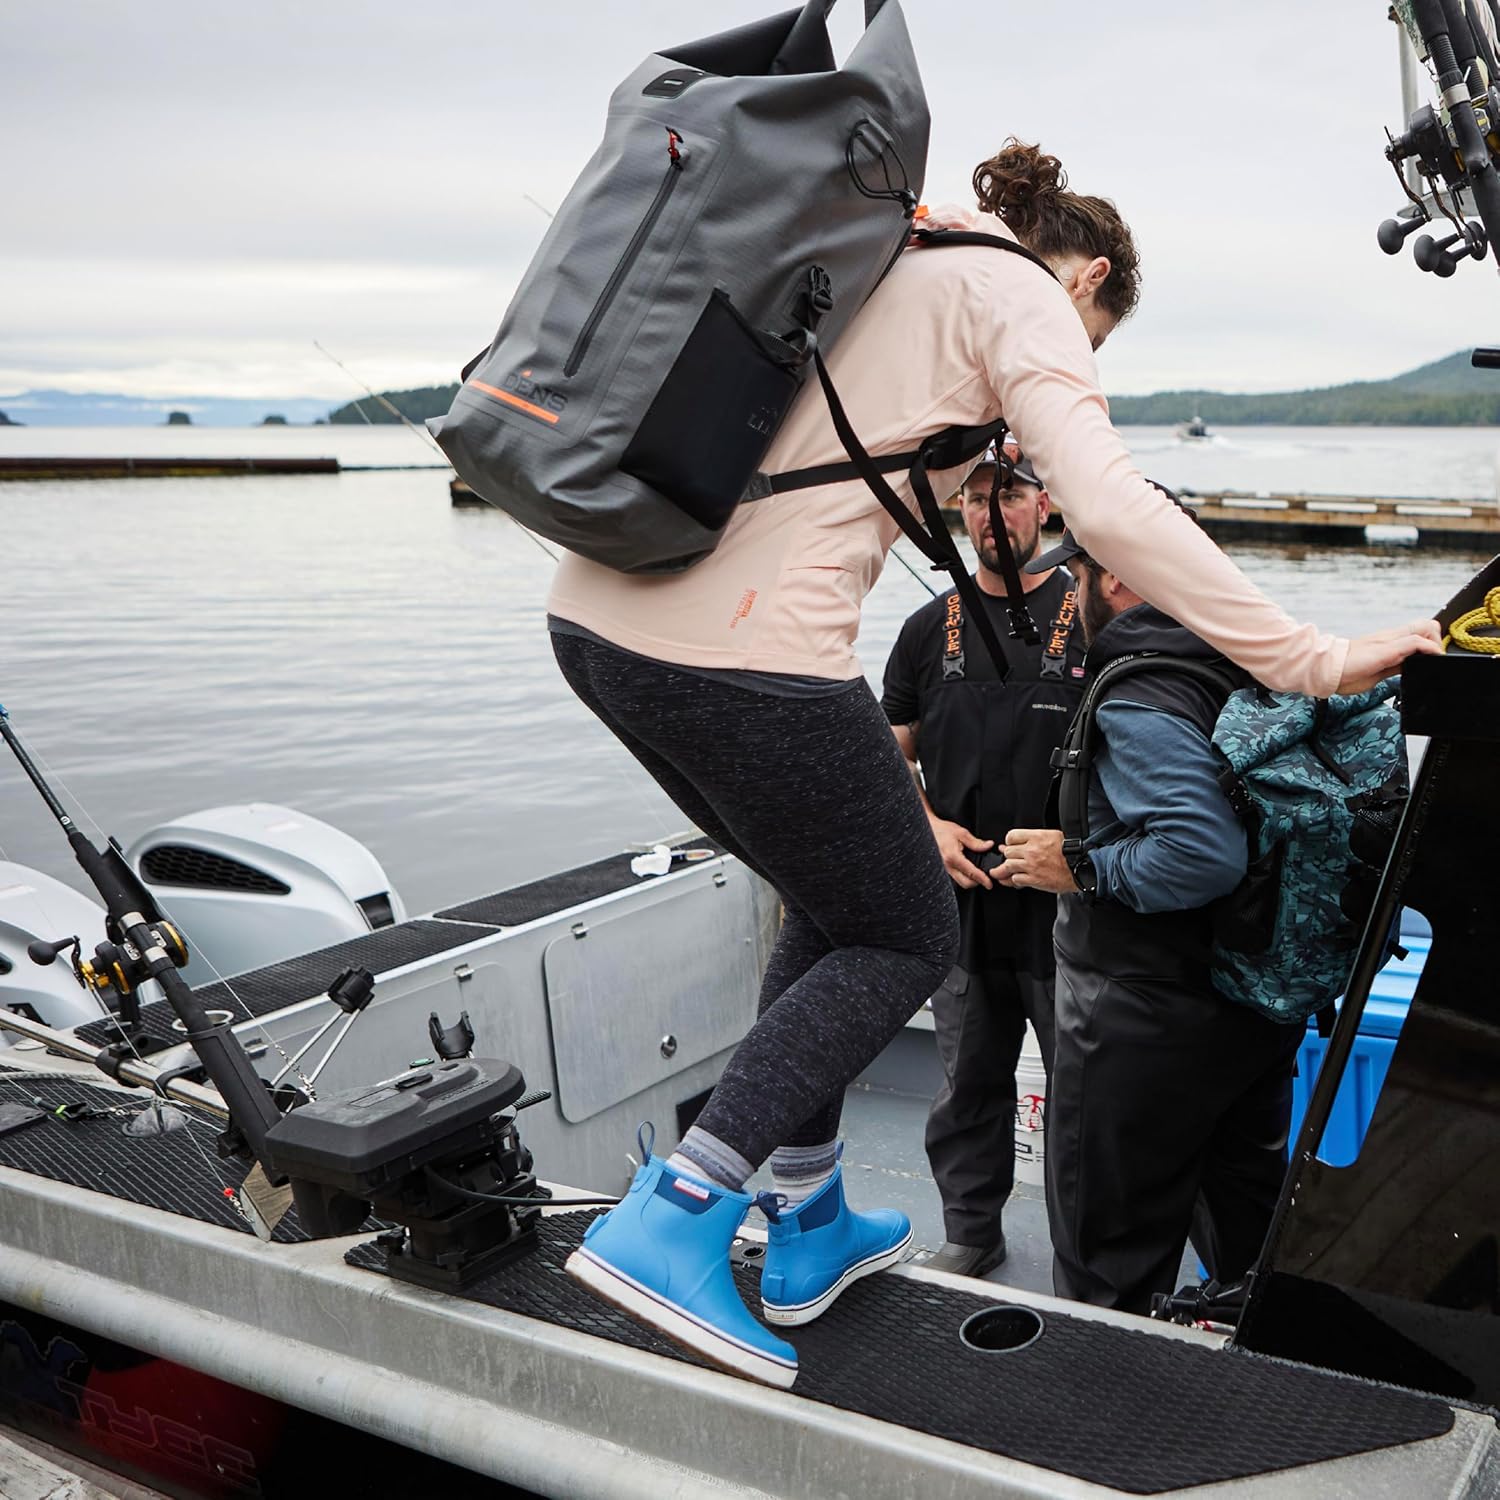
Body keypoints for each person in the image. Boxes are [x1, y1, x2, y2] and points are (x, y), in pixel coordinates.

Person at [546, 138, 1439, 1388]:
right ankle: (679, 1217)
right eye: (1097, 342)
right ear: (1092, 279)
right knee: (905, 935)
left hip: (598, 621)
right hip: (742, 649)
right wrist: (1310, 657)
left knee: (831, 907)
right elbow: (1111, 504)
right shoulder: (1022, 290)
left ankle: (807, 1217)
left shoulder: (895, 252)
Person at [996, 514, 1305, 1314]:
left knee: (1107, 1260)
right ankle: (1251, 1363)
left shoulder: (1142, 691)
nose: (1070, 594)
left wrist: (1080, 866)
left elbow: (1201, 853)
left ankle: (1103, 1389)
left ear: (1120, 579)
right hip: (1249, 1004)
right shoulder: (1246, 657)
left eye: (1079, 574)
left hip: (1141, 1020)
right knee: (1247, 1236)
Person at [882, 446, 1084, 1278]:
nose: (991, 512)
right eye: (975, 497)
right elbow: (887, 750)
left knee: (1083, 1093)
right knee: (968, 1082)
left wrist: (1081, 854)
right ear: (957, 511)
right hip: (963, 901)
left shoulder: (1093, 615)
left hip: (1067, 907)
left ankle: (1089, 1256)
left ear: (1045, 507)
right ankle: (972, 1232)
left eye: (1009, 494)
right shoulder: (927, 628)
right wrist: (926, 827)